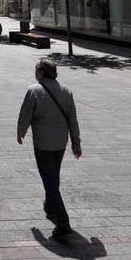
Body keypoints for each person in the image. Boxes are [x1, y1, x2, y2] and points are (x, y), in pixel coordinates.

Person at [17, 58, 82, 240]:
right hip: (61, 143)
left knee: (49, 180)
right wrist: (76, 143)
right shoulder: (66, 91)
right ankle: (50, 205)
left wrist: (21, 132)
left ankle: (63, 223)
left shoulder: (34, 90)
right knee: (53, 176)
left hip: (43, 143)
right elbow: (73, 120)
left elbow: (25, 114)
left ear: (40, 73)